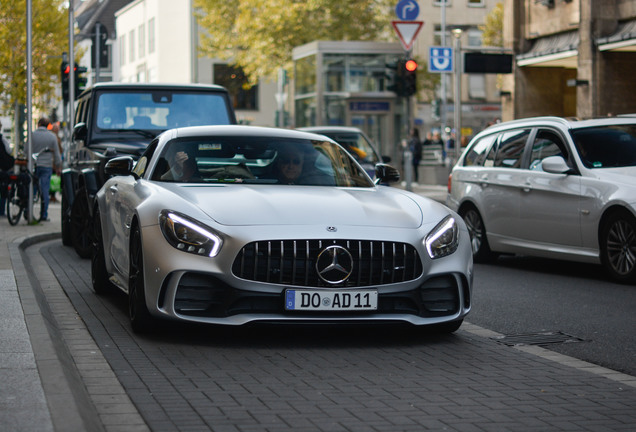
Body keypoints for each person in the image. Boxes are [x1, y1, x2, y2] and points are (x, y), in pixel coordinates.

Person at [32, 117, 62, 221]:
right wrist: (58, 166)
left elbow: (27, 150)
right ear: (47, 125)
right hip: (47, 166)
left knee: (32, 189)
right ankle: (43, 215)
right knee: (45, 190)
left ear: (38, 124)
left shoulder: (32, 135)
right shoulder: (52, 137)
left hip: (34, 166)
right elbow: (57, 154)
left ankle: (28, 212)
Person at [0, 120, 12, 216]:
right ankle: (2, 210)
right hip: (2, 168)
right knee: (3, 189)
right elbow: (9, 150)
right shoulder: (2, 139)